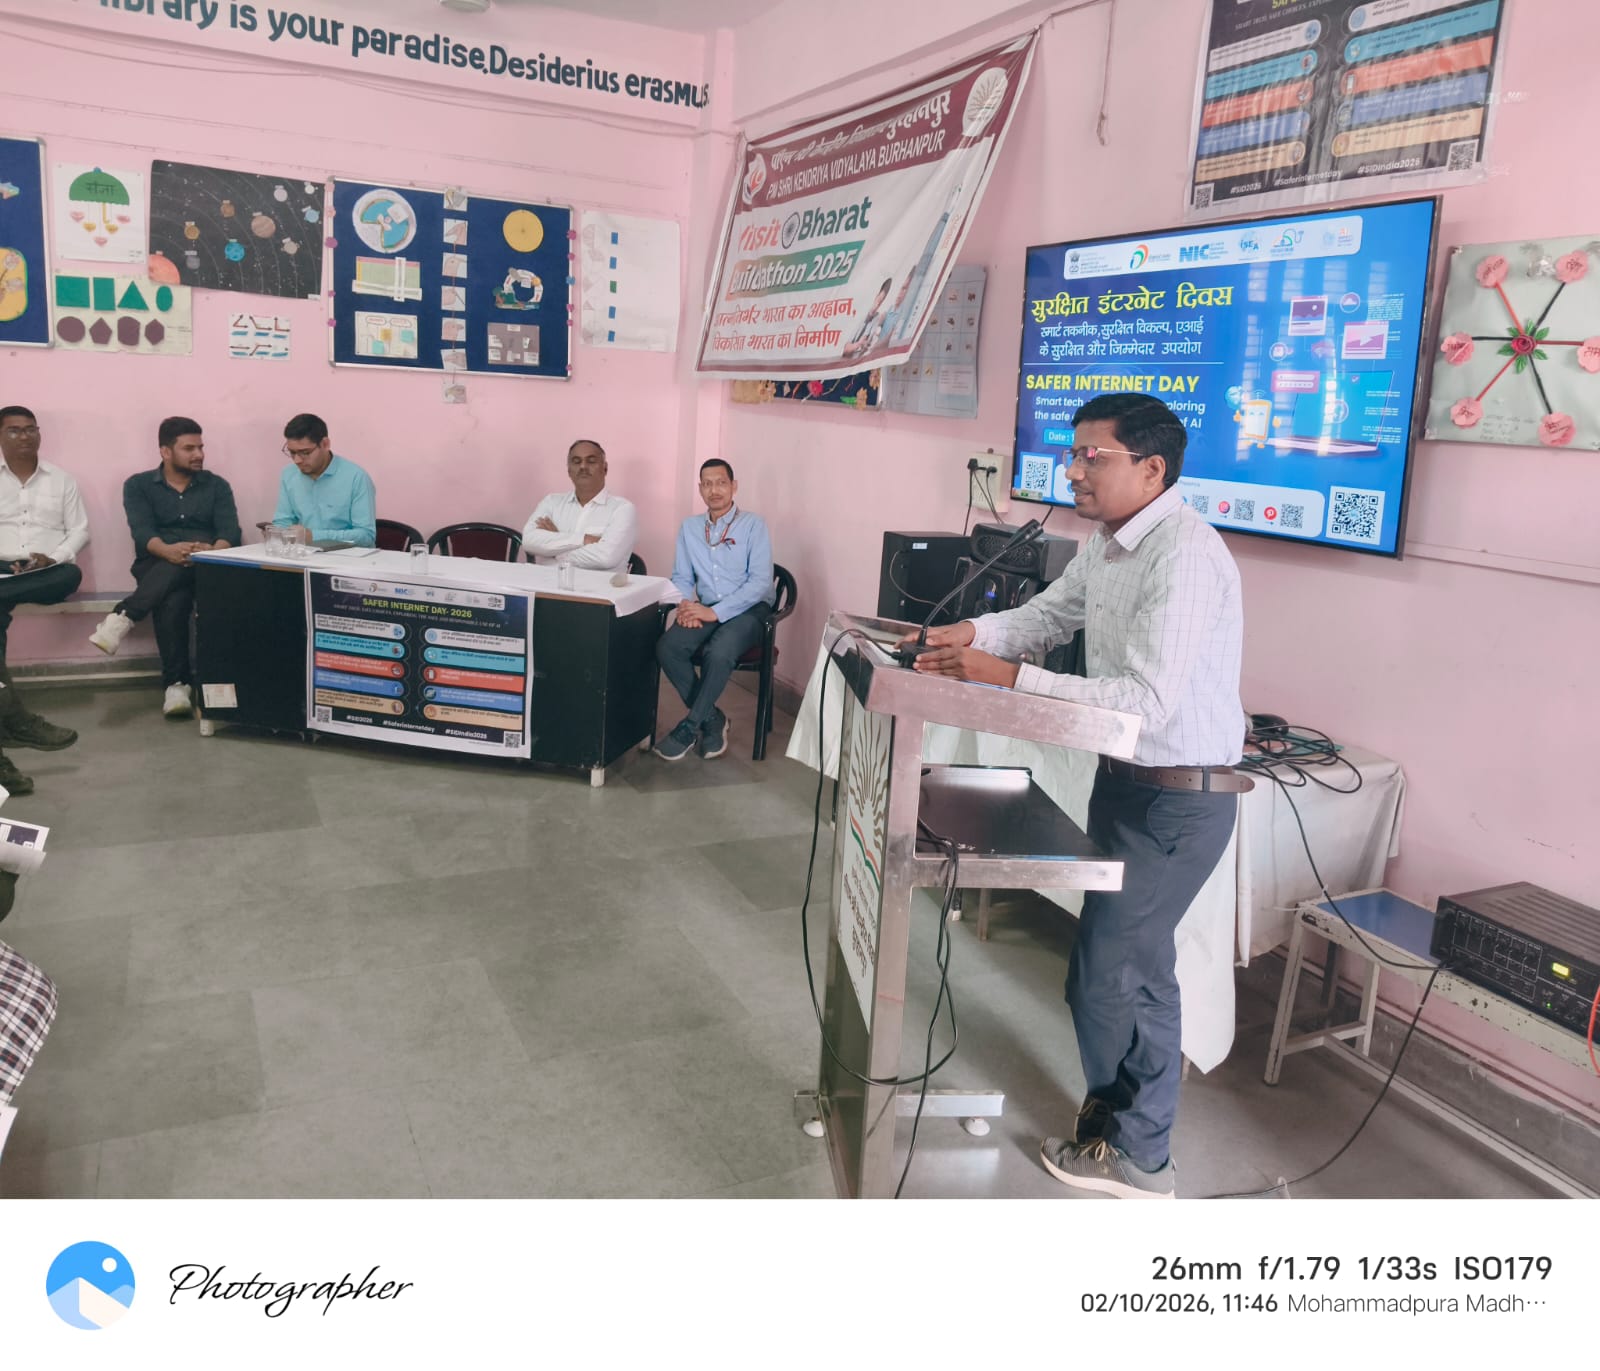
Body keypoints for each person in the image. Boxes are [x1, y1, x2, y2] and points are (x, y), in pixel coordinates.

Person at [908, 393, 1247, 1200]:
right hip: (1124, 785)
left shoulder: (1184, 555)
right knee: (1121, 971)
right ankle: (1119, 1120)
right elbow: (1048, 615)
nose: (1073, 470)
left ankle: (1141, 1155)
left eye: (1092, 456)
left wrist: (1008, 678)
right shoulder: (1108, 544)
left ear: (1152, 468)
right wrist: (975, 636)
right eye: (1073, 454)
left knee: (1115, 974)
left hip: (1176, 800)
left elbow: (1145, 702)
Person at [89, 417, 242, 718]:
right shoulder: (138, 485)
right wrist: (169, 551)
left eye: (200, 447)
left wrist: (212, 552)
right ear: (165, 451)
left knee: (176, 588)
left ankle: (128, 622)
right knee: (173, 598)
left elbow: (230, 531)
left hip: (206, 566)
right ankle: (178, 684)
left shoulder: (217, 485)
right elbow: (142, 531)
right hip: (156, 563)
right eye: (189, 448)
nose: (199, 454)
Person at [654, 459, 774, 762]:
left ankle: (689, 726)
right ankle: (713, 719)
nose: (714, 490)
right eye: (707, 484)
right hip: (705, 607)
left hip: (750, 611)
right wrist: (685, 605)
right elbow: (682, 576)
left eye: (721, 482)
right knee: (668, 647)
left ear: (734, 486)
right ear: (700, 489)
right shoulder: (690, 528)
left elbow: (760, 583)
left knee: (718, 652)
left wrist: (716, 612)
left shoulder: (753, 525)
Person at [0, 406, 86, 774]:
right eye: (14, 430)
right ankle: (13, 719)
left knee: (71, 574)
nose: (25, 436)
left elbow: (80, 530)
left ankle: (14, 722)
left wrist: (53, 558)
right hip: (1, 570)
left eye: (31, 429)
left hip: (46, 571)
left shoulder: (61, 480)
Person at [521, 439, 637, 574]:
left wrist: (554, 548)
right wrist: (584, 539)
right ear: (569, 470)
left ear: (605, 468)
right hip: (546, 583)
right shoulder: (551, 502)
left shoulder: (622, 509)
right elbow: (529, 541)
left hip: (598, 586)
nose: (583, 466)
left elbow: (605, 557)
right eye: (576, 462)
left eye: (591, 461)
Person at [273, 413, 376, 547]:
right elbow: (282, 522)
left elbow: (366, 536)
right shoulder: (289, 475)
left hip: (347, 556)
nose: (297, 460)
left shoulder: (356, 477)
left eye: (305, 453)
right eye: (292, 452)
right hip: (305, 555)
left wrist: (314, 536)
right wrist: (276, 533)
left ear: (325, 444)